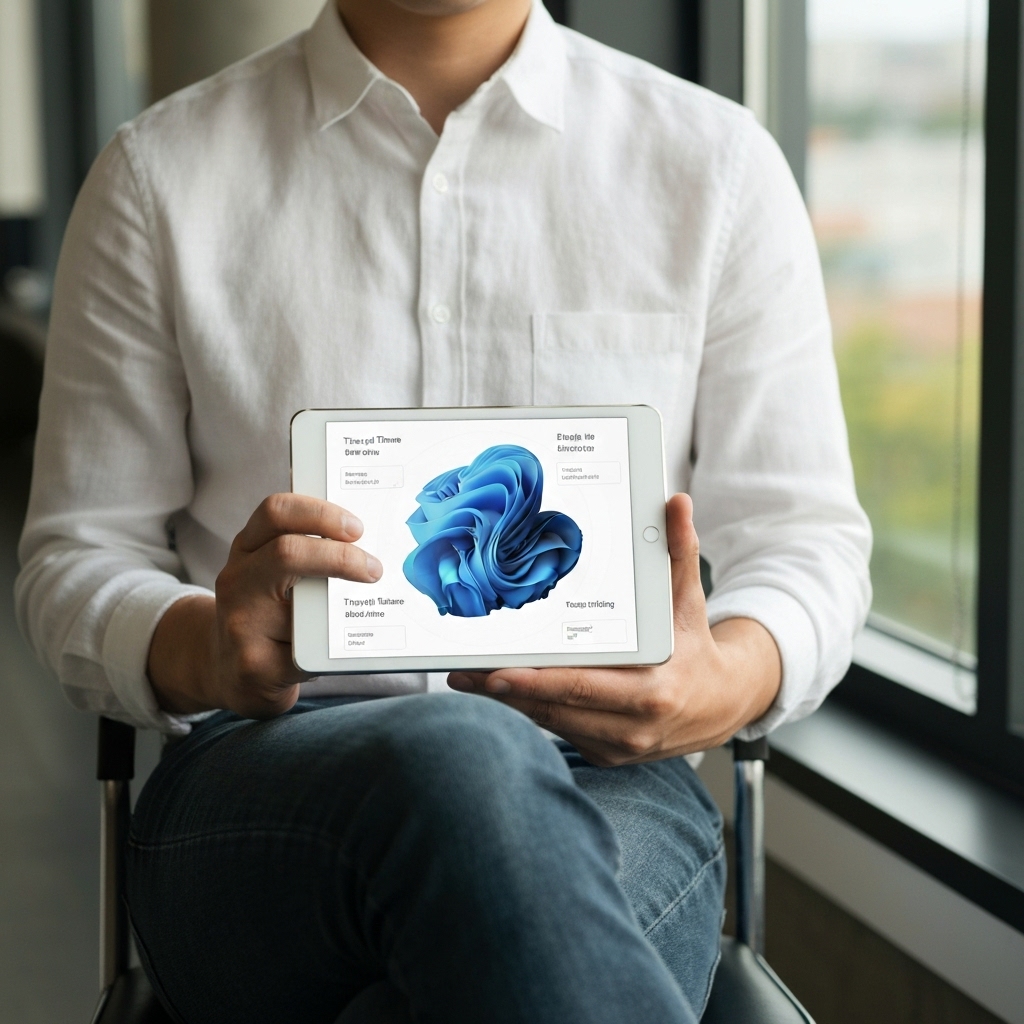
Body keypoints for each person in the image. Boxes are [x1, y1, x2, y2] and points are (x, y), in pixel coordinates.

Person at [15, 0, 871, 1021]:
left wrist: (720, 680)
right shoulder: (160, 175)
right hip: (259, 790)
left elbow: (805, 542)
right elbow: (76, 555)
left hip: (609, 785)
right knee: (466, 764)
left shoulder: (714, 167)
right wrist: (206, 646)